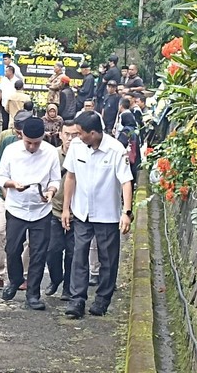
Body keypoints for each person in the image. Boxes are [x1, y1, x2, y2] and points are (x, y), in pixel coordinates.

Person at [62, 111, 134, 318]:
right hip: (82, 212)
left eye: (79, 133)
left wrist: (126, 212)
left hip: (107, 215)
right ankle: (77, 301)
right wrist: (66, 208)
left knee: (108, 259)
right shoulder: (77, 147)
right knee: (79, 256)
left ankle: (102, 299)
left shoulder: (115, 150)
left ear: (92, 133)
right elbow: (71, 178)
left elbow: (126, 181)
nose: (75, 137)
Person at [0, 117, 61, 310]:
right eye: (28, 143)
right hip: (16, 207)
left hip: (41, 210)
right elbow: (0, 176)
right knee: (13, 249)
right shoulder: (11, 151)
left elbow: (55, 180)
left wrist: (50, 192)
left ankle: (33, 294)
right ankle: (15, 280)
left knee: (38, 253)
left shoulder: (50, 153)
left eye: (36, 143)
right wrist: (13, 184)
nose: (32, 147)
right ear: (21, 136)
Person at [0, 110, 32, 289]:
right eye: (17, 133)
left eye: (22, 133)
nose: (19, 137)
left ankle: (25, 275)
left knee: (29, 239)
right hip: (5, 197)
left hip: (30, 201)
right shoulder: (8, 142)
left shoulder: (39, 145)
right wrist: (6, 194)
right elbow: (0, 173)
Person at [45, 120, 78, 301]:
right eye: (67, 134)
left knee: (73, 253)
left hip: (77, 214)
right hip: (54, 211)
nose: (70, 139)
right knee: (53, 250)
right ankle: (55, 278)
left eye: (75, 135)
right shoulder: (52, 155)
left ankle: (68, 288)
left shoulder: (84, 156)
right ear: (60, 134)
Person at [0, 66, 17, 132]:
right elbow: (0, 92)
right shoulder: (3, 80)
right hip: (4, 105)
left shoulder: (17, 81)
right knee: (5, 122)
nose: (5, 72)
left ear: (10, 72)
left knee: (12, 123)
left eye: (6, 71)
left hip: (13, 106)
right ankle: (3, 137)